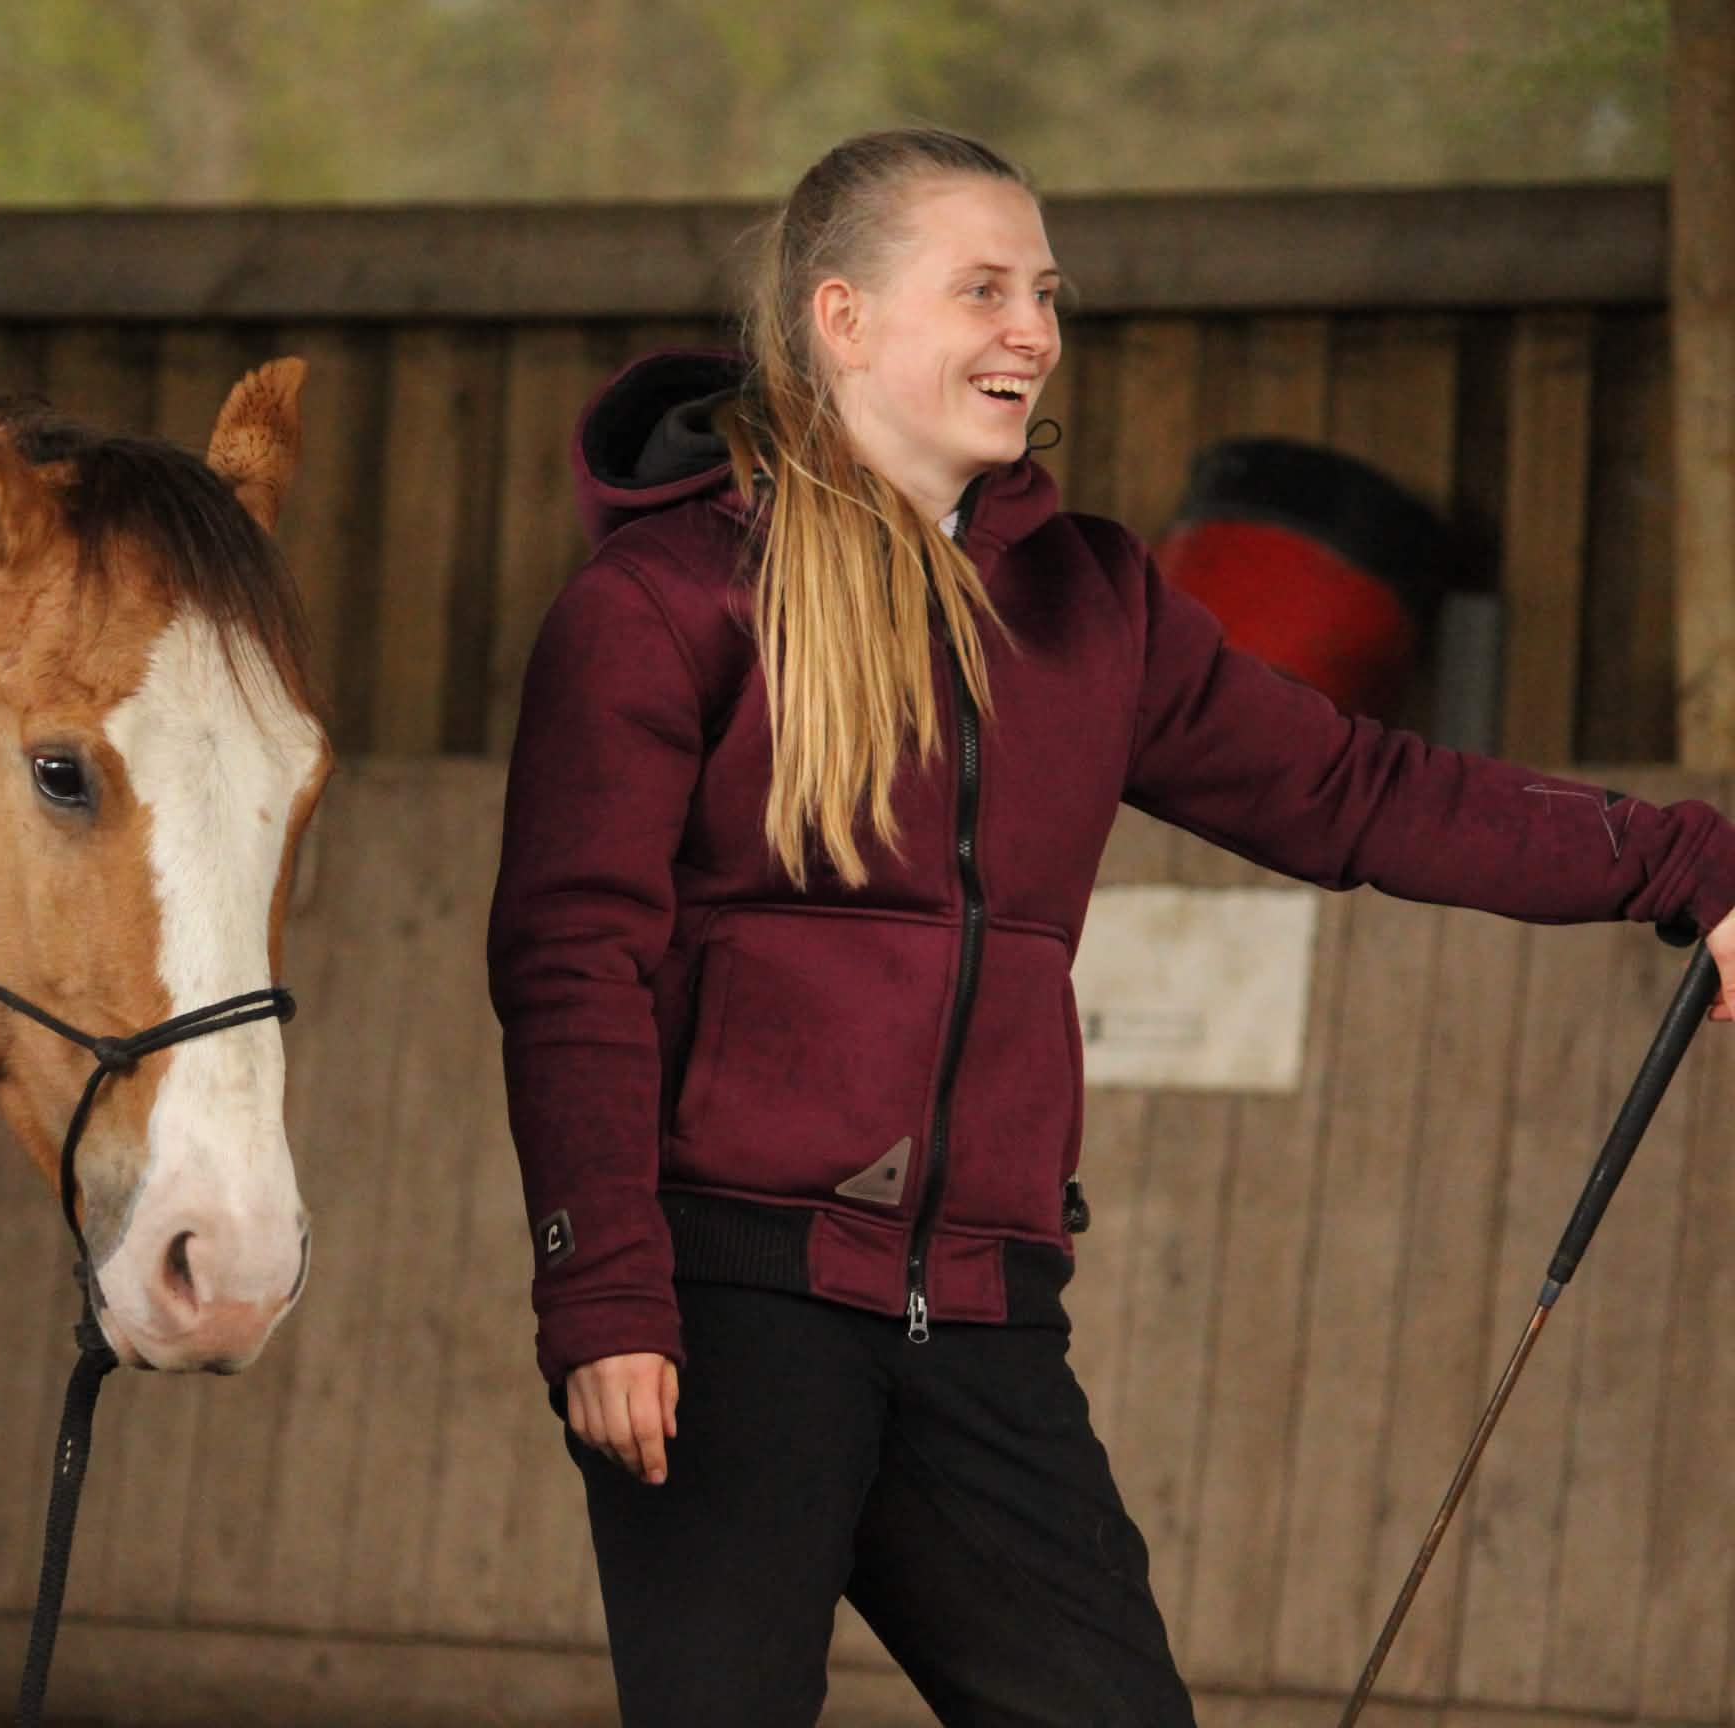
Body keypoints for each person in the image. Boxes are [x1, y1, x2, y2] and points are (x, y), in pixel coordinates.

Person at [484, 125, 1735, 1727]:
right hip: (733, 1307)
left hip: (984, 1318)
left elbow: (1358, 792)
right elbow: (571, 963)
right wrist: (602, 1293)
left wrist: (1687, 862)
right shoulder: (662, 606)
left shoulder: (1093, 603)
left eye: (1048, 293)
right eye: (985, 289)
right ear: (842, 318)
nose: (1035, 331)